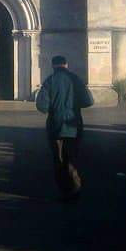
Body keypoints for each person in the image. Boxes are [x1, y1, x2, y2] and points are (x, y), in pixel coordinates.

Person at [35, 54, 94, 200]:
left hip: (55, 127)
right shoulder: (76, 79)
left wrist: (54, 107)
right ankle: (75, 189)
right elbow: (88, 101)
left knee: (59, 160)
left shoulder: (49, 81)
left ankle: (63, 191)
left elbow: (42, 106)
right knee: (72, 159)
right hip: (73, 126)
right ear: (66, 65)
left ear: (53, 66)